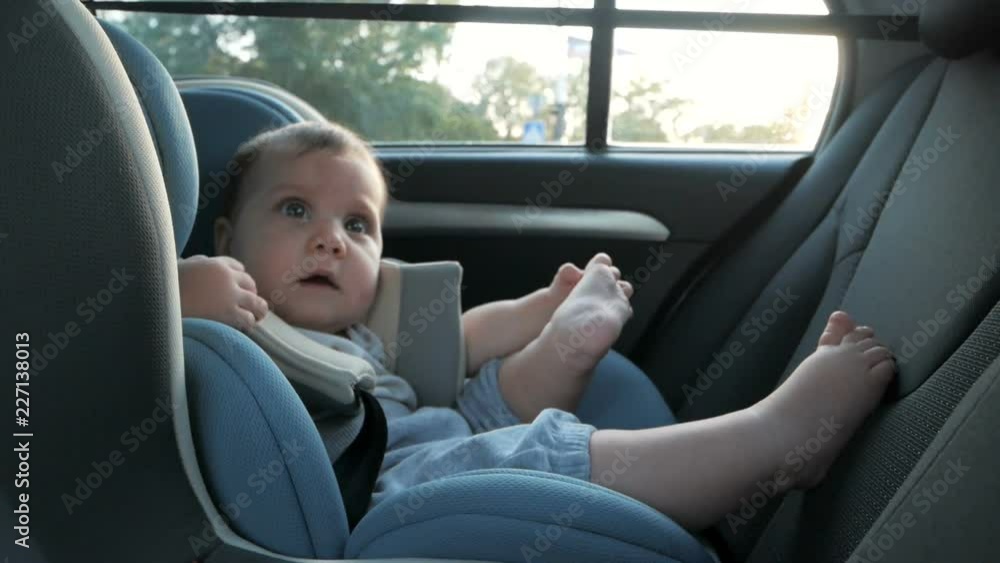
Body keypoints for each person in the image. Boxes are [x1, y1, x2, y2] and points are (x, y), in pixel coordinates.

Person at [178, 121, 896, 531]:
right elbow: (137, 348)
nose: (331, 239)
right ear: (226, 236)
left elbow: (460, 338)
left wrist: (537, 310)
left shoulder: (364, 328)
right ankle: (774, 441)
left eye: (358, 224)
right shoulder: (217, 306)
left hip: (435, 431)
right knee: (533, 448)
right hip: (373, 484)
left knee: (493, 388)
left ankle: (564, 346)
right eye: (295, 210)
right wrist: (180, 293)